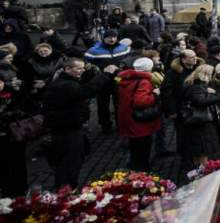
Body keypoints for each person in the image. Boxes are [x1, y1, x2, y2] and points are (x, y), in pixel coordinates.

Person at [43, 58, 116, 188]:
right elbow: (87, 91)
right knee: (69, 164)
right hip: (67, 131)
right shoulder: (67, 85)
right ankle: (65, 193)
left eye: (83, 68)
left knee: (73, 160)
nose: (82, 71)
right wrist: (105, 75)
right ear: (67, 69)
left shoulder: (65, 81)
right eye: (78, 68)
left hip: (68, 129)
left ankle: (67, 189)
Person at [116, 57, 162, 171]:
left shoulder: (125, 79)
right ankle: (143, 175)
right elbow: (141, 101)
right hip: (139, 122)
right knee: (143, 150)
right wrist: (155, 95)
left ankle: (135, 171)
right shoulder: (144, 81)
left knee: (134, 148)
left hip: (128, 117)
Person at [84, 29, 132, 134]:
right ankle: (105, 125)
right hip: (102, 80)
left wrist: (119, 67)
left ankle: (121, 124)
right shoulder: (93, 50)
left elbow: (128, 61)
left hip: (118, 79)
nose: (112, 39)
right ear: (104, 38)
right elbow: (86, 65)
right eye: (109, 37)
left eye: (114, 37)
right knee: (103, 104)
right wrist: (97, 69)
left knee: (119, 103)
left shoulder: (124, 48)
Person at [181, 65, 220, 167]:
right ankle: (203, 172)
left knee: (201, 150)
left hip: (197, 123)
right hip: (200, 123)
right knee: (203, 150)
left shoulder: (193, 85)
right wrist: (218, 96)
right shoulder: (197, 87)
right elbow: (200, 101)